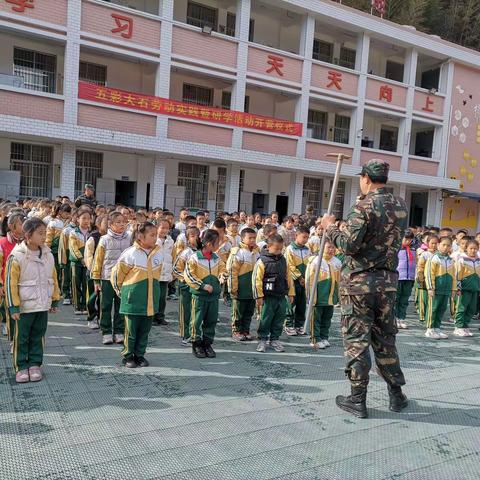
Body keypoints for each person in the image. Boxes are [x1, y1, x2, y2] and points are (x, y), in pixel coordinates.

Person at [322, 159, 408, 419]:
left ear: (366, 179)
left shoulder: (363, 205)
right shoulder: (401, 205)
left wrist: (331, 227)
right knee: (385, 339)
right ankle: (396, 394)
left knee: (357, 341)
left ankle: (357, 399)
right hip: (387, 285)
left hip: (359, 285)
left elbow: (349, 245)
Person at [5, 218, 60, 383]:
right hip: (24, 307)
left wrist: (54, 299)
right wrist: (13, 307)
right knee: (21, 337)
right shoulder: (17, 256)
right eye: (40, 233)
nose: (44, 236)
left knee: (38, 335)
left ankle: (35, 363)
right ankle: (21, 366)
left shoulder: (48, 254)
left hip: (41, 305)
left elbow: (53, 277)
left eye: (45, 233)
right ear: (28, 235)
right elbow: (10, 284)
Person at [111, 222, 163, 368]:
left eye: (156, 235)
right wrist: (122, 292)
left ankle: (140, 355)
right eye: (152, 235)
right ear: (140, 236)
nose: (155, 238)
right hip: (132, 301)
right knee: (131, 331)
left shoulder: (158, 253)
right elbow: (116, 275)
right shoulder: (130, 253)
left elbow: (158, 276)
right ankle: (128, 356)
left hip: (150, 301)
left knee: (144, 331)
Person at [185, 229, 226, 359]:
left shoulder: (216, 258)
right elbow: (189, 275)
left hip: (213, 297)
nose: (218, 245)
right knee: (196, 320)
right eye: (217, 243)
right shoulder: (195, 258)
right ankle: (196, 344)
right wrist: (202, 286)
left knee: (211, 320)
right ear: (208, 244)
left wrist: (222, 276)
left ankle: (207, 343)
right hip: (199, 296)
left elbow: (223, 269)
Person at [91, 212, 131, 345]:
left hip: (123, 279)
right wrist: (96, 279)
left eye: (123, 222)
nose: (121, 224)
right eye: (118, 222)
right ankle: (106, 331)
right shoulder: (104, 239)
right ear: (111, 224)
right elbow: (98, 260)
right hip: (107, 278)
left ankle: (119, 331)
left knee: (121, 305)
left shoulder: (129, 238)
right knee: (105, 305)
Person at [253, 234, 294, 353]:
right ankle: (262, 339)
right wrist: (258, 295)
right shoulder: (262, 261)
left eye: (281, 249)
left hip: (281, 296)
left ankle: (275, 339)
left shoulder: (283, 260)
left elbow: (288, 277)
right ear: (269, 247)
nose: (278, 251)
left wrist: (291, 292)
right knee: (265, 318)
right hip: (267, 297)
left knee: (279, 319)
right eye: (276, 249)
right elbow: (256, 279)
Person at [305, 240, 341, 350]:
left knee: (327, 318)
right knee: (316, 318)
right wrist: (311, 296)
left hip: (330, 297)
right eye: (328, 247)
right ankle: (315, 339)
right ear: (321, 248)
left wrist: (338, 295)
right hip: (319, 296)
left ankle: (324, 337)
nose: (331, 250)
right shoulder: (316, 262)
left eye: (333, 247)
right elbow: (309, 280)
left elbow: (340, 280)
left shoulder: (337, 262)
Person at [227, 228, 260, 341]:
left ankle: (246, 330)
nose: (252, 240)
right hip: (240, 288)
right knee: (238, 312)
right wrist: (233, 288)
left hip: (252, 289)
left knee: (249, 311)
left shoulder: (257, 252)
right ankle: (236, 331)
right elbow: (232, 271)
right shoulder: (237, 252)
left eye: (254, 238)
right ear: (242, 238)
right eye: (249, 238)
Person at [172, 226, 201, 346]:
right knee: (186, 311)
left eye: (198, 236)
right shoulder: (186, 252)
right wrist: (185, 279)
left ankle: (195, 333)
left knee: (196, 311)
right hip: (185, 286)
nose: (196, 238)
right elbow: (176, 269)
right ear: (188, 239)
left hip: (197, 286)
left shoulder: (201, 252)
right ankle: (185, 335)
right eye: (193, 236)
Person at [424, 236, 456, 339]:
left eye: (448, 245)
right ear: (438, 245)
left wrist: (454, 288)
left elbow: (454, 276)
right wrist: (430, 288)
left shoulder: (451, 260)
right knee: (433, 308)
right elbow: (429, 274)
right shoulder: (434, 258)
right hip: (436, 289)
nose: (446, 247)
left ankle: (437, 328)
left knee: (442, 308)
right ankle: (429, 329)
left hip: (446, 289)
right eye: (443, 245)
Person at [0, 212, 25, 343]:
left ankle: (21, 339)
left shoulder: (27, 242)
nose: (24, 226)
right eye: (21, 224)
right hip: (8, 284)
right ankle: (13, 341)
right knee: (11, 313)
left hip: (25, 284)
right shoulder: (3, 243)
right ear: (11, 226)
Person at [284, 226, 312, 336]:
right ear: (296, 235)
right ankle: (288, 324)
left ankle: (299, 324)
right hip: (293, 280)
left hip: (305, 281)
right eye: (303, 237)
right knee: (291, 302)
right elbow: (289, 265)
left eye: (307, 237)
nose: (305, 239)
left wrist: (307, 278)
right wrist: (300, 278)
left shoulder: (307, 249)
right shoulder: (290, 249)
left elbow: (310, 264)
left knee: (302, 303)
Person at [84, 215, 108, 329]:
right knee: (92, 297)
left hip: (106, 273)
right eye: (106, 223)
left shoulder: (110, 237)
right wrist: (93, 272)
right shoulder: (93, 238)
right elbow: (88, 256)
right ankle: (91, 317)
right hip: (94, 273)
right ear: (98, 225)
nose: (108, 225)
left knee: (102, 299)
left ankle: (101, 317)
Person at [454, 239, 480, 336]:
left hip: (475, 289)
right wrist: (458, 288)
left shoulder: (478, 261)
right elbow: (457, 275)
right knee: (462, 308)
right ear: (466, 249)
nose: (473, 250)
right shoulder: (462, 260)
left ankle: (465, 326)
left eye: (475, 248)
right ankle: (458, 326)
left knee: (472, 309)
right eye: (471, 248)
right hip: (464, 289)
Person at [69, 208, 92, 315]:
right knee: (76, 283)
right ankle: (77, 306)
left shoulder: (92, 233)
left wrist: (88, 261)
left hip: (88, 262)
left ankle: (85, 305)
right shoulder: (73, 232)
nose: (86, 221)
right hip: (76, 262)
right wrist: (81, 259)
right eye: (83, 218)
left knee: (86, 283)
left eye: (88, 218)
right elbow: (73, 248)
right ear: (78, 219)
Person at [46, 203, 72, 288]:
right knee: (55, 270)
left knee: (64, 271)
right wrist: (47, 249)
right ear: (60, 212)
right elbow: (48, 238)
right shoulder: (53, 222)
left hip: (65, 251)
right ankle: (55, 288)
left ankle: (62, 288)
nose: (67, 215)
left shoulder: (70, 223)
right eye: (66, 213)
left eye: (69, 213)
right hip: (55, 251)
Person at [155, 218, 174, 326]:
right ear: (157, 228)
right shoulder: (153, 239)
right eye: (162, 228)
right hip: (155, 273)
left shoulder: (171, 241)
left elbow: (173, 256)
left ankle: (160, 316)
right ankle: (152, 317)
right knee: (154, 296)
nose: (164, 230)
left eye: (167, 228)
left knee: (162, 297)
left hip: (166, 273)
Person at [415, 234, 438, 323]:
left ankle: (430, 316)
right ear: (428, 243)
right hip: (423, 279)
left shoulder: (438, 255)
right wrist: (420, 278)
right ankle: (422, 316)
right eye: (432, 243)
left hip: (433, 280)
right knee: (423, 299)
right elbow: (420, 267)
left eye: (436, 243)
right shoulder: (424, 254)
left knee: (431, 299)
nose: (434, 245)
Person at [395, 231, 416, 330]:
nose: (407, 241)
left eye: (409, 239)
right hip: (398, 278)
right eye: (405, 238)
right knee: (396, 299)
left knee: (404, 299)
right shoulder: (396, 249)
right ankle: (394, 318)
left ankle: (402, 318)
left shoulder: (414, 250)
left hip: (409, 278)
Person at [58, 210, 77, 306]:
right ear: (72, 216)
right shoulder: (67, 230)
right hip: (67, 252)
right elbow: (62, 246)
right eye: (76, 216)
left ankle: (74, 296)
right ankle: (66, 295)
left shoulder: (81, 229)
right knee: (66, 277)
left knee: (74, 277)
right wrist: (62, 259)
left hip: (77, 255)